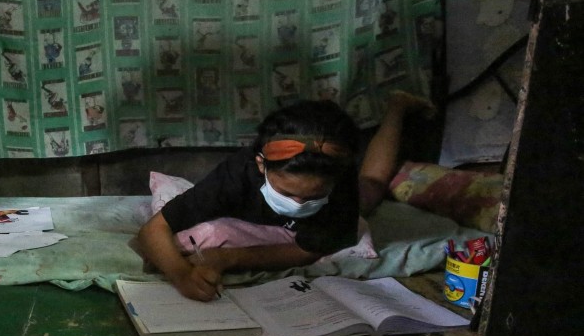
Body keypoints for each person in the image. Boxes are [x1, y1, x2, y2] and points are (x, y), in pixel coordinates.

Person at [136, 91, 434, 301]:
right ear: (261, 163)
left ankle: (397, 106)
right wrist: (181, 275)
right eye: (287, 192)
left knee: (371, 189)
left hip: (345, 192)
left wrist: (228, 258)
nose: (298, 204)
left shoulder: (340, 185)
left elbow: (309, 250)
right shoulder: (236, 175)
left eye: (313, 196)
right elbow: (154, 230)